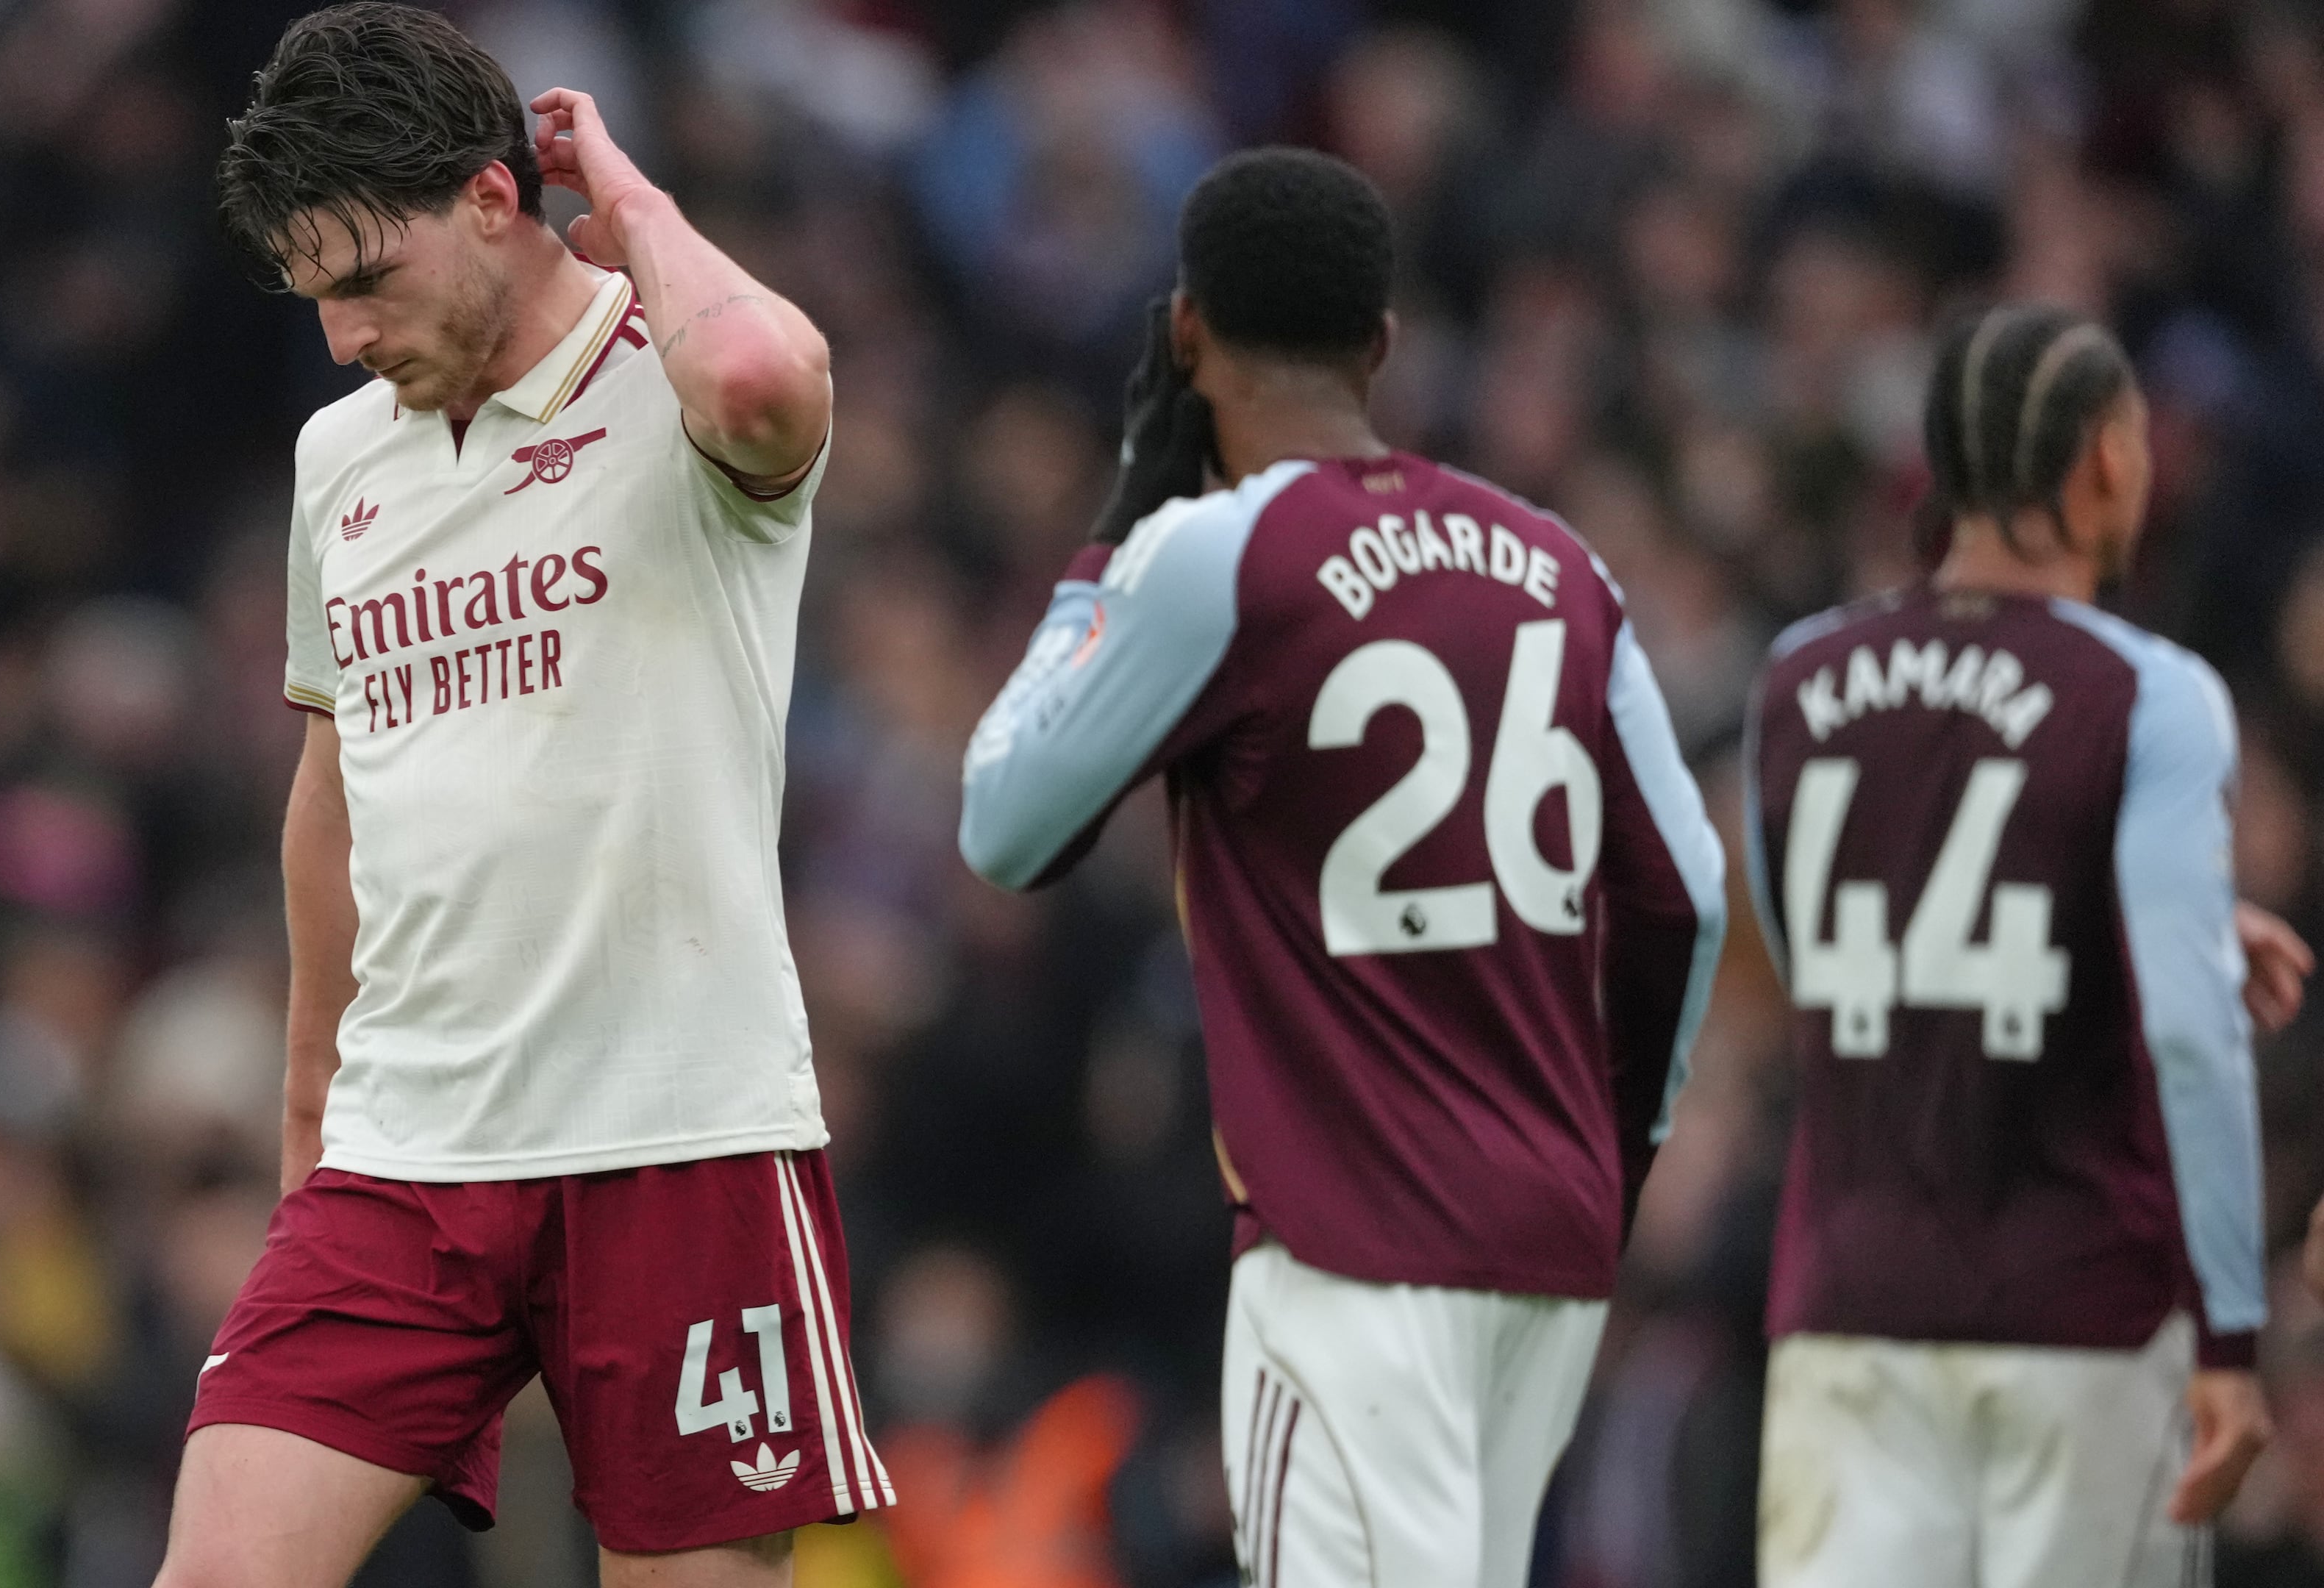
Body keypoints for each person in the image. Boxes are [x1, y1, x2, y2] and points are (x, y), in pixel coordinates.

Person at [155, 7, 882, 1586]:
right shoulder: (341, 460)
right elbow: (335, 798)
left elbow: (764, 370)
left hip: (681, 1139)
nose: (342, 337)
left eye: (367, 281)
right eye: (314, 296)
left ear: (494, 199)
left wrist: (626, 195)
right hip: (406, 1157)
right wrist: (310, 1133)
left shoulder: (676, 381)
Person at [958, 148, 1728, 1588]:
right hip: (1548, 1249)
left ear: (1187, 333)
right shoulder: (1564, 566)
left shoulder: (1216, 555)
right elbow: (1684, 891)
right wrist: (1614, 1158)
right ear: (1383, 344)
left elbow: (1005, 823)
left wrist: (1109, 544)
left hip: (1352, 1245)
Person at [1745, 304, 2313, 1588]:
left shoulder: (1796, 678)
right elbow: (2189, 1035)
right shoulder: (2151, 694)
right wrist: (2230, 1336)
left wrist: (2130, 925)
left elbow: (1818, 958)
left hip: (1851, 1308)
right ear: (2107, 459)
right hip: (2083, 1314)